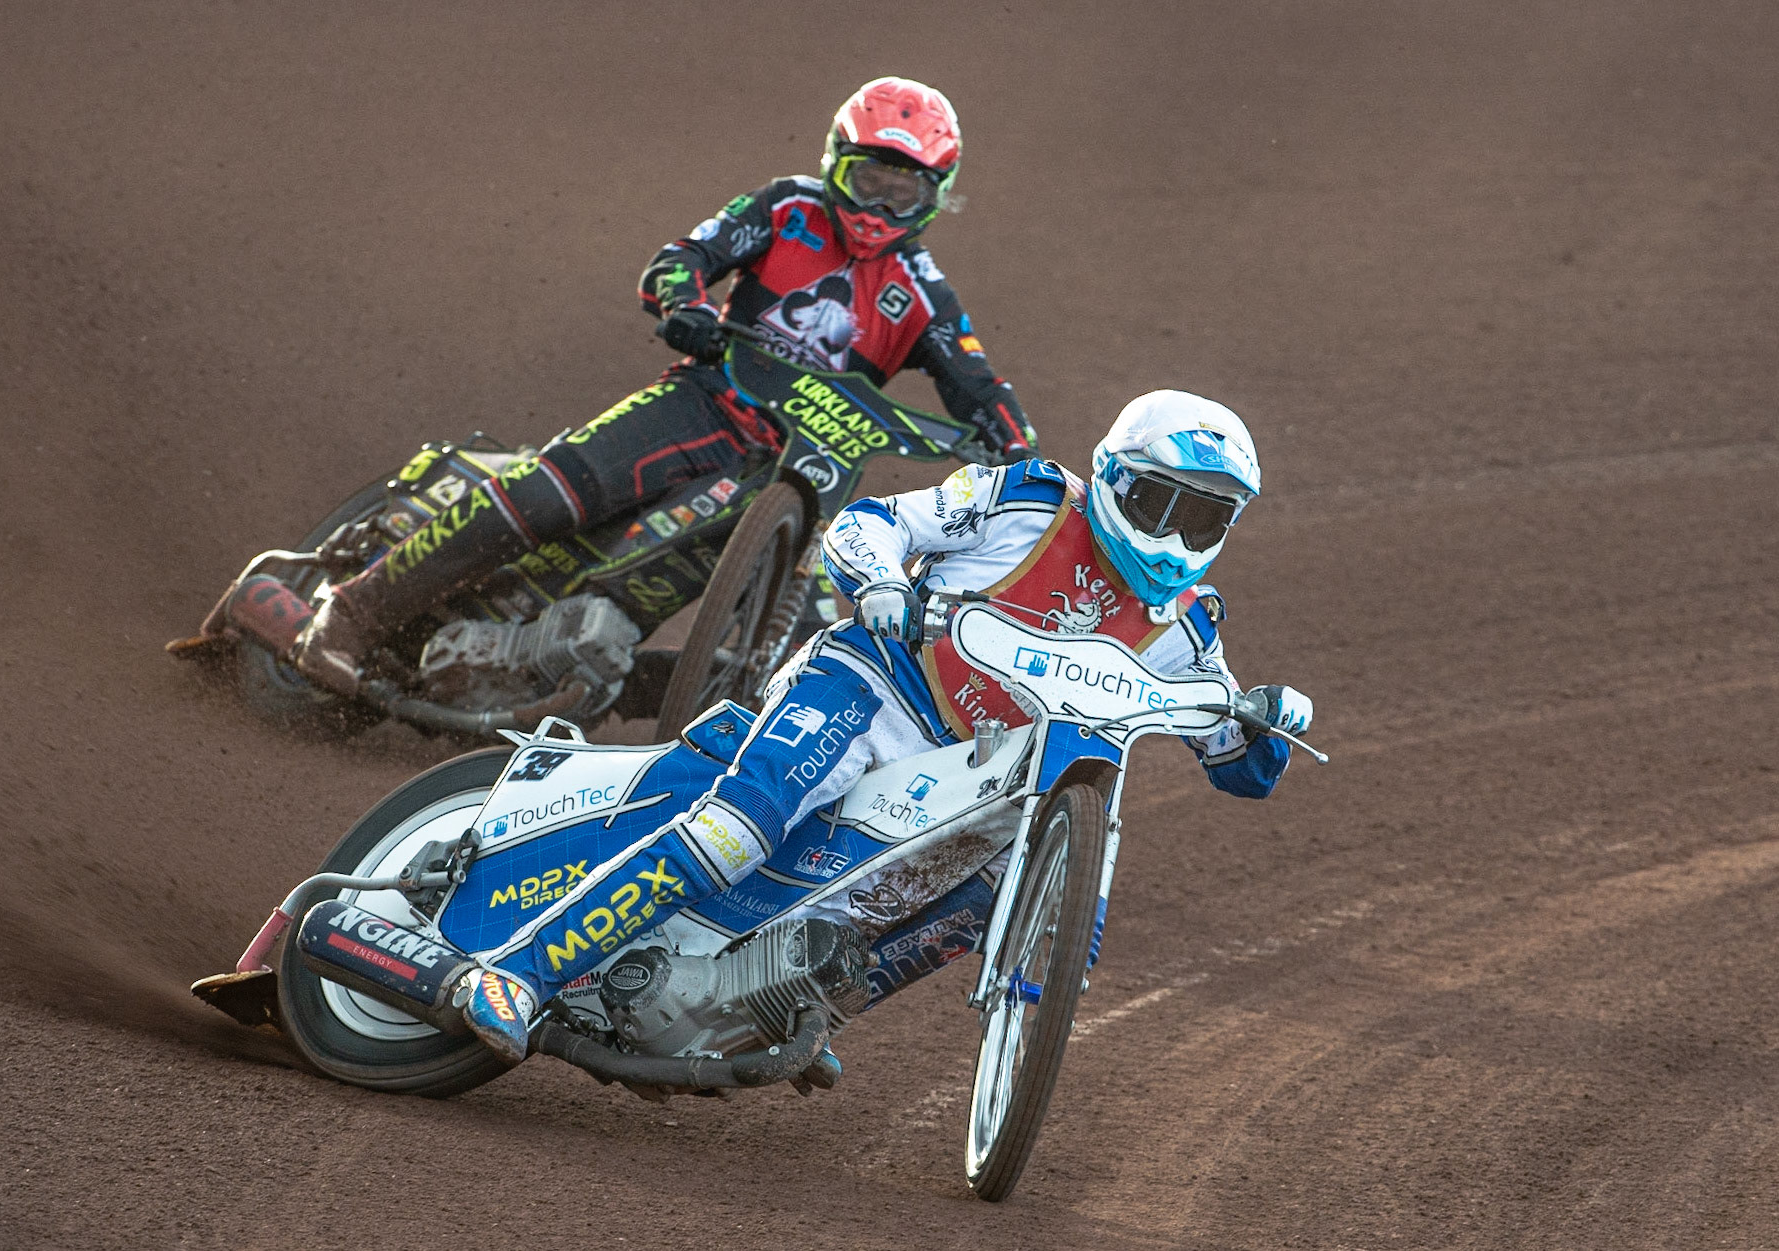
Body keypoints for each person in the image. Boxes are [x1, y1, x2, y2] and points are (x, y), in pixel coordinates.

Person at [455, 389, 1314, 1059]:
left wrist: (1266, 720)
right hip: (874, 689)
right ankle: (518, 972)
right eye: (1160, 502)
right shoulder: (1028, 499)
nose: (1174, 535)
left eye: (1201, 517)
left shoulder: (1187, 628)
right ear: (1115, 478)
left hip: (973, 772)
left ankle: (784, 1010)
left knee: (989, 895)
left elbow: (1237, 760)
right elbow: (873, 521)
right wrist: (881, 584)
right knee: (738, 825)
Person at [291, 76, 1037, 696]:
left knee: (791, 632)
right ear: (835, 163)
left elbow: (980, 386)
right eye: (867, 181)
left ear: (935, 196)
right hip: (705, 399)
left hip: (792, 471)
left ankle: (575, 686)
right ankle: (348, 615)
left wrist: (1019, 460)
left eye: (902, 192)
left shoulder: (923, 292)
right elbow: (681, 257)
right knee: (544, 496)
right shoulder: (787, 207)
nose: (877, 208)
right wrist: (683, 307)